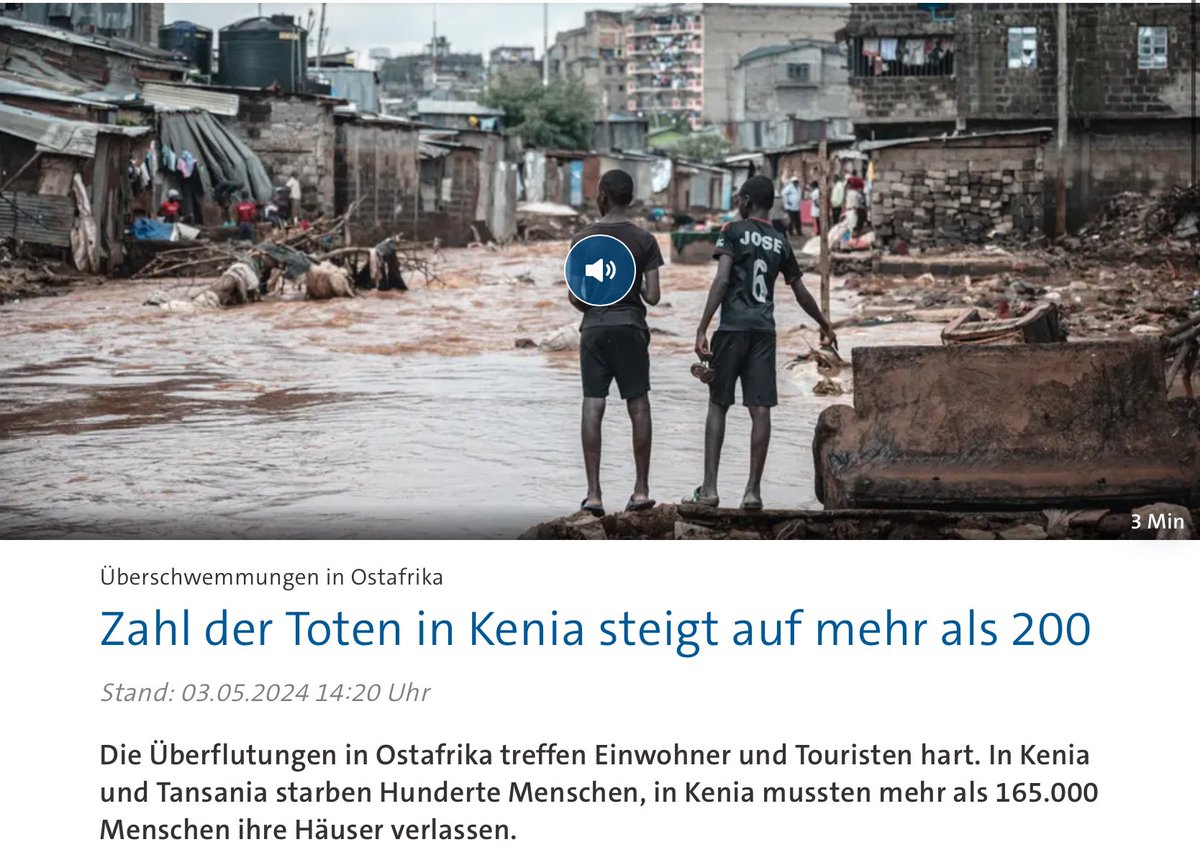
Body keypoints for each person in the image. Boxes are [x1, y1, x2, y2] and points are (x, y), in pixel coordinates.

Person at [685, 175, 838, 511]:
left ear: (746, 201)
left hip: (733, 329)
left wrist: (701, 327)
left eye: (740, 198)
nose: (738, 203)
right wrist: (824, 323)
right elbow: (800, 291)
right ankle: (753, 492)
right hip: (763, 333)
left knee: (718, 404)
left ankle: (709, 490)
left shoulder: (732, 231)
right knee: (760, 410)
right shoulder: (781, 241)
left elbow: (723, 279)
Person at [567, 169, 664, 516]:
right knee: (638, 405)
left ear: (603, 196)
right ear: (631, 198)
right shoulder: (643, 239)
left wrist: (599, 294)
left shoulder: (582, 239)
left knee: (593, 406)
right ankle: (641, 491)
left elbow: (575, 297)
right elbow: (652, 296)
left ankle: (593, 496)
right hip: (631, 327)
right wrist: (628, 284)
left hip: (594, 327)